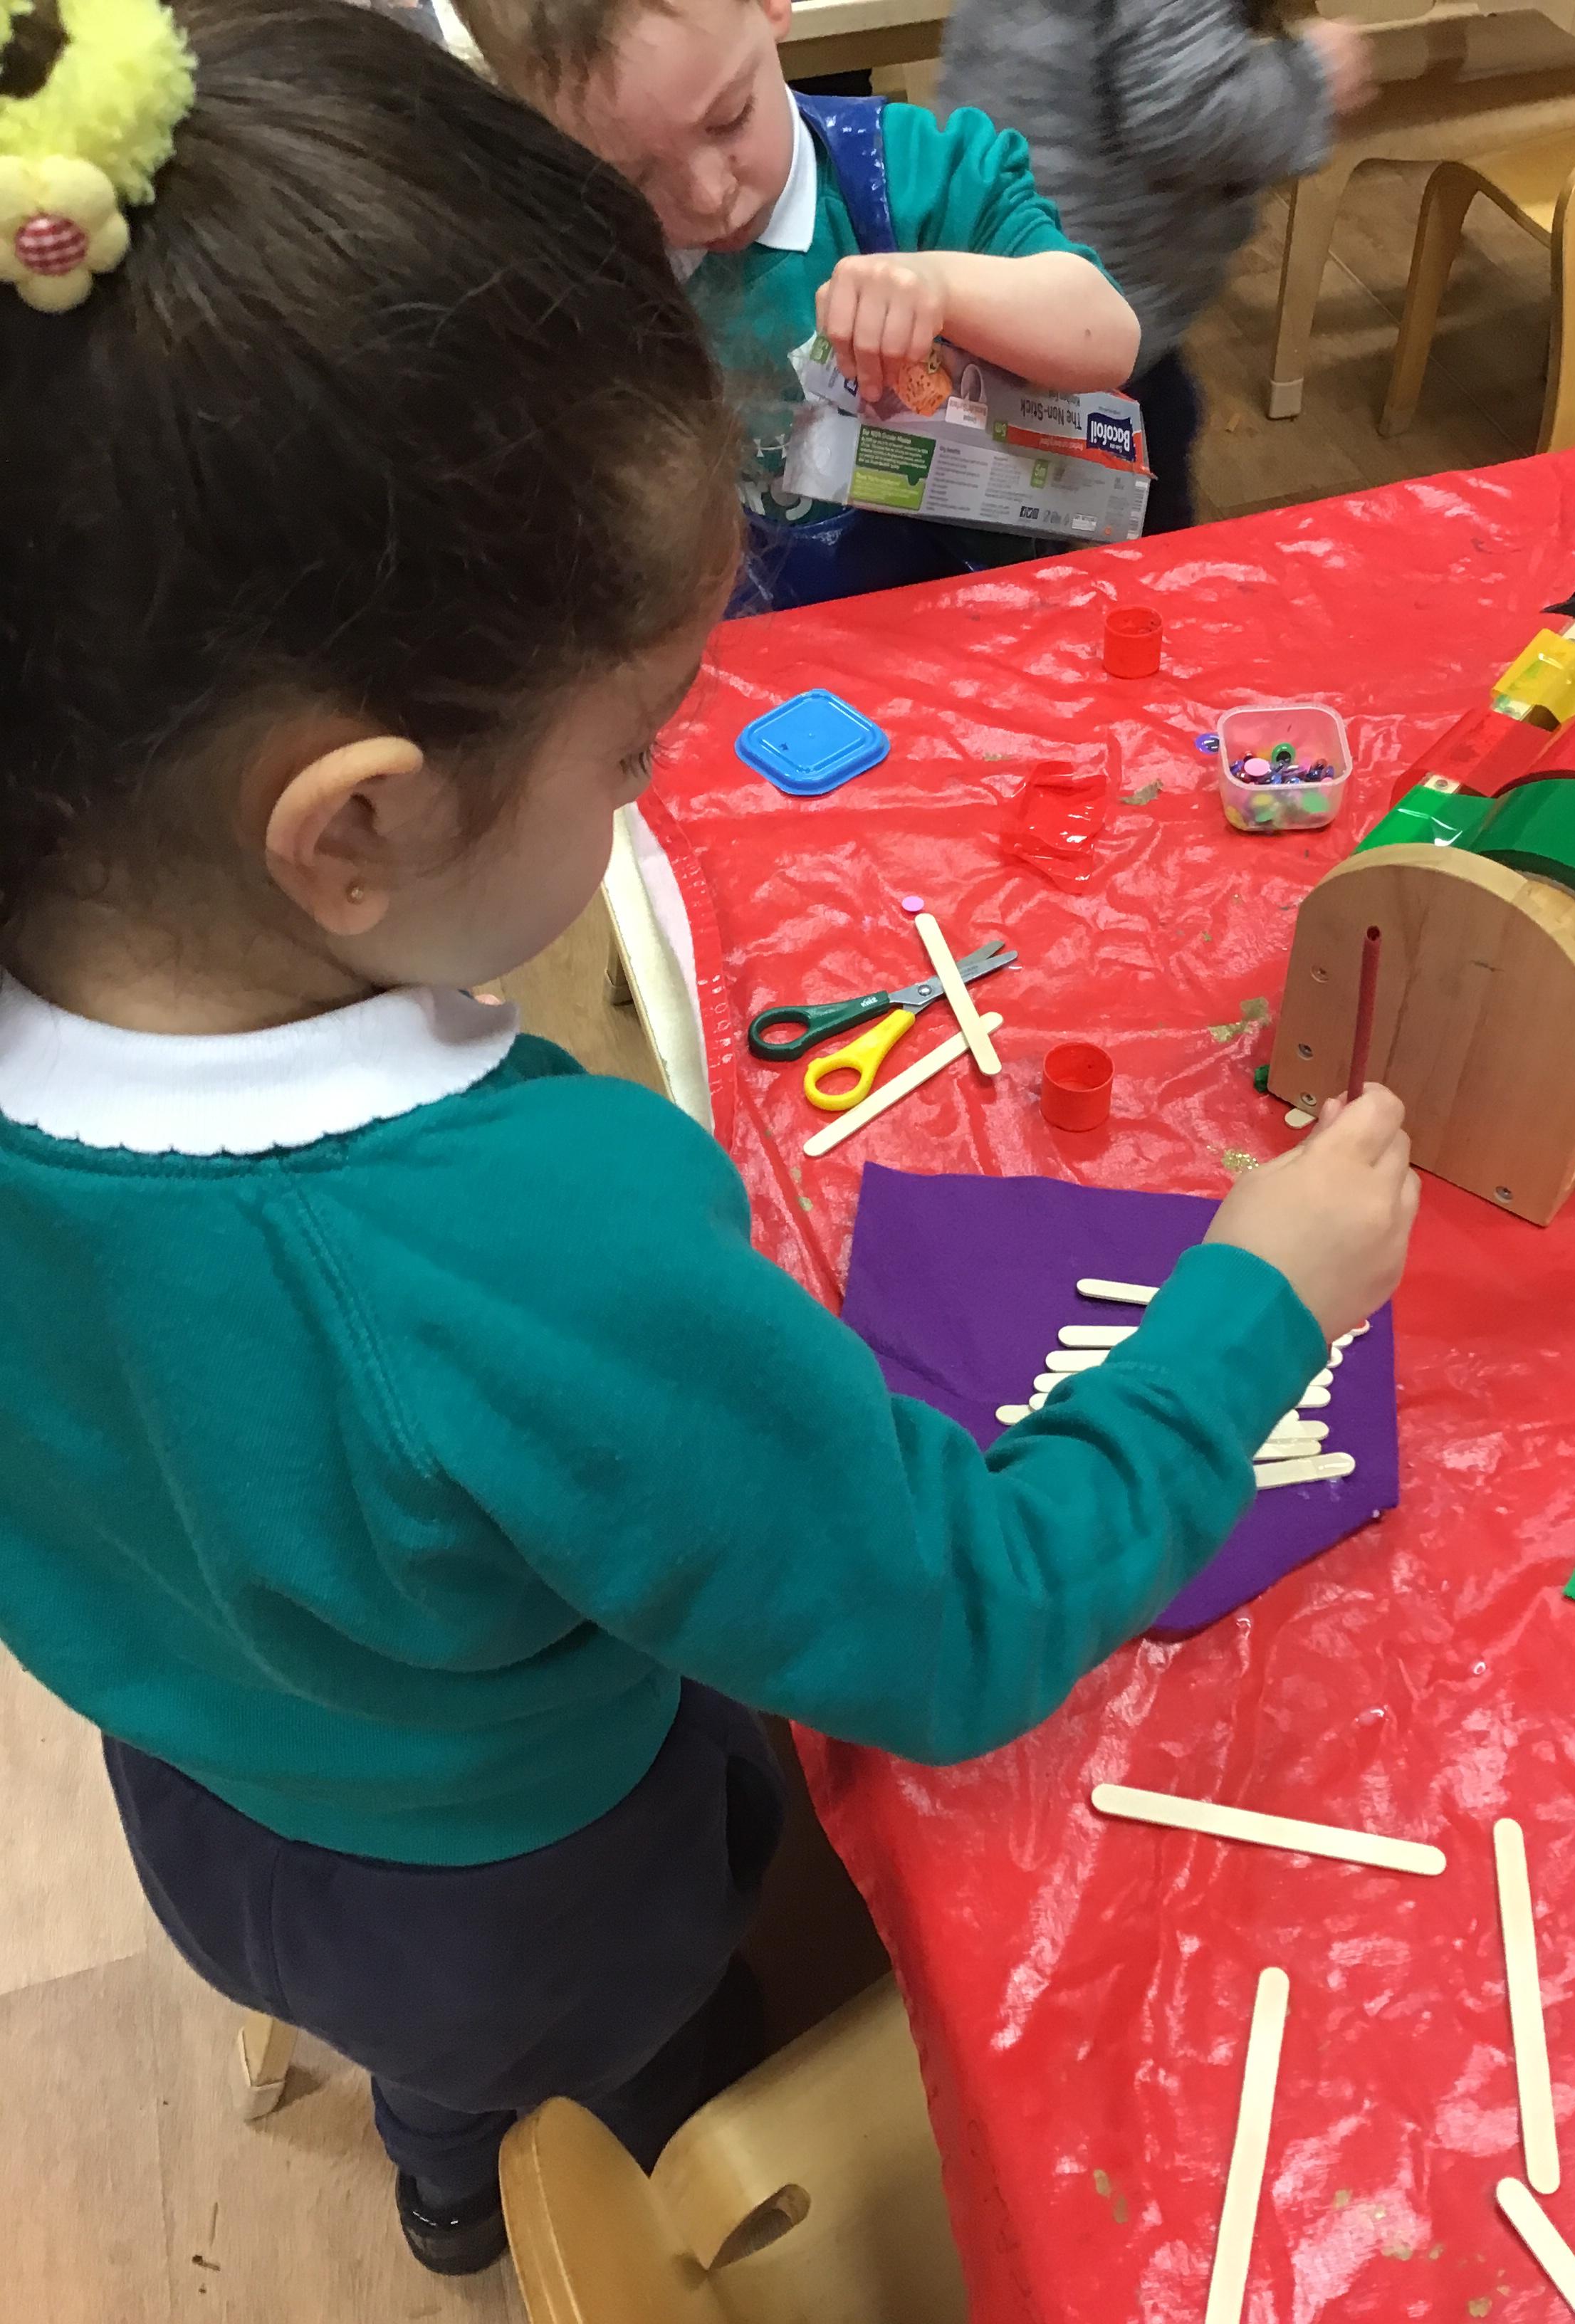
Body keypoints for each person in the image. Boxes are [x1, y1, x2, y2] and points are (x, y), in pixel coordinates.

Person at [0, 0, 1416, 2281]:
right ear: (352, 827)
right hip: (545, 1892)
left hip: (217, 1791)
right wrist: (1260, 1299)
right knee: (639, 2055)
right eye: (636, 745)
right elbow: (959, 1625)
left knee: (434, 2054)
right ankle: (569, 2164)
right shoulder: (534, 1240)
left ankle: (448, 2165)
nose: (650, 786)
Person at [453, 0, 1146, 609]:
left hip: (961, 627)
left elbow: (1108, 336)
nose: (709, 197)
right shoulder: (575, 264)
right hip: (739, 658)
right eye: (633, 177)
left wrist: (943, 288)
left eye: (729, 120)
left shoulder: (913, 176)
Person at [940, 0, 1378, 533]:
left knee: (1006, 484)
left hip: (995, 235)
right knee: (1137, 494)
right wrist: (1313, 78)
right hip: (1097, 290)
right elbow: (1187, 115)